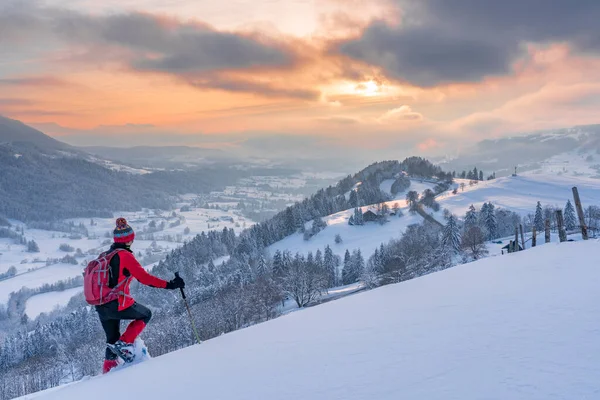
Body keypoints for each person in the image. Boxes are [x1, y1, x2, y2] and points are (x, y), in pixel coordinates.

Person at [95, 217, 185, 373]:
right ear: (130, 239)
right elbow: (145, 278)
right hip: (116, 302)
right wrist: (170, 285)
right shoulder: (125, 256)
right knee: (146, 314)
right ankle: (124, 344)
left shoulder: (105, 254)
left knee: (111, 340)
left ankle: (107, 374)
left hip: (100, 304)